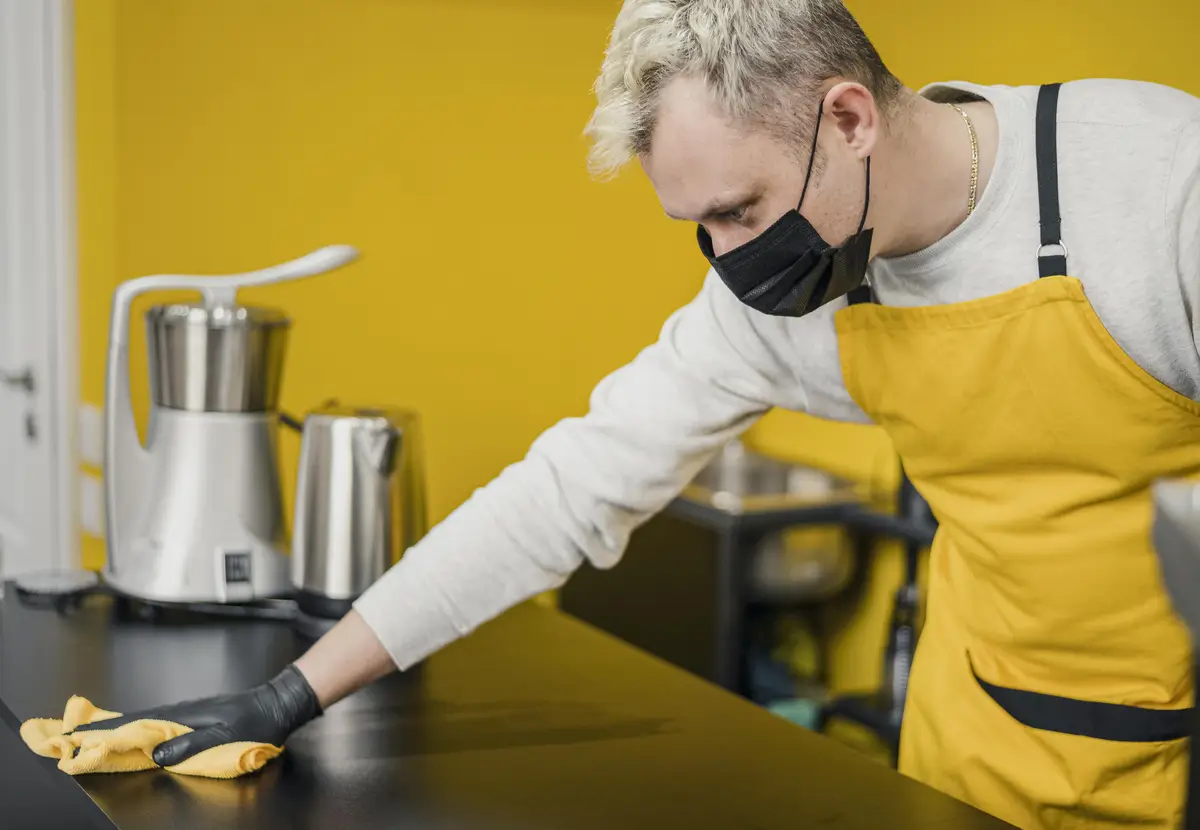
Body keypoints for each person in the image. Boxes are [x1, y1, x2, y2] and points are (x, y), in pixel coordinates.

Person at [76, 1, 1200, 827]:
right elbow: (566, 489)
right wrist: (291, 690)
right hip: (966, 739)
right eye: (697, 226)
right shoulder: (785, 301)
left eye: (741, 208)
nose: (729, 258)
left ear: (849, 116)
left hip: (1173, 751)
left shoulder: (1154, 189)